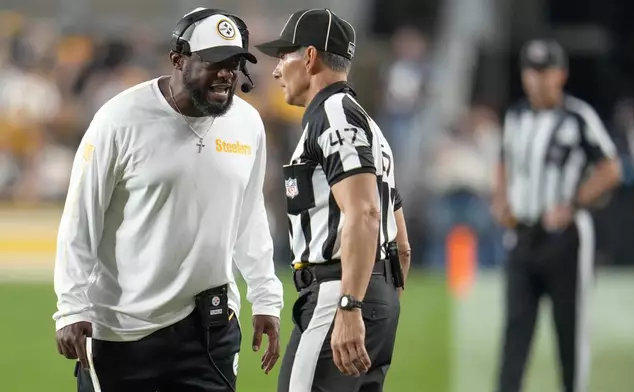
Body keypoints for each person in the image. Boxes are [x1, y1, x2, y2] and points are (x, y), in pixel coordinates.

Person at [53, 7, 283, 392]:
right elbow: (80, 218)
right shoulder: (120, 119)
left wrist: (265, 296)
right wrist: (71, 307)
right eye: (214, 62)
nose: (227, 73)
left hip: (211, 330)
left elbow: (249, 214)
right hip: (121, 332)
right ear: (178, 59)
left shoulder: (247, 124)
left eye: (235, 62)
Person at [255, 8, 411, 392]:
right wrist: (378, 301)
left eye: (284, 57)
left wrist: (350, 304)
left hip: (337, 290)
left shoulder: (334, 116)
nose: (276, 71)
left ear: (309, 57)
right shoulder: (366, 124)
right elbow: (401, 246)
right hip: (373, 291)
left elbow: (366, 211)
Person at [491, 39, 622, 392]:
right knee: (515, 333)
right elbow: (503, 160)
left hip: (566, 239)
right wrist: (500, 200)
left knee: (570, 330)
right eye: (531, 71)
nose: (537, 79)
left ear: (560, 75)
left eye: (544, 71)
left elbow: (610, 168)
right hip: (522, 233)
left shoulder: (577, 116)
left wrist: (574, 203)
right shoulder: (515, 116)